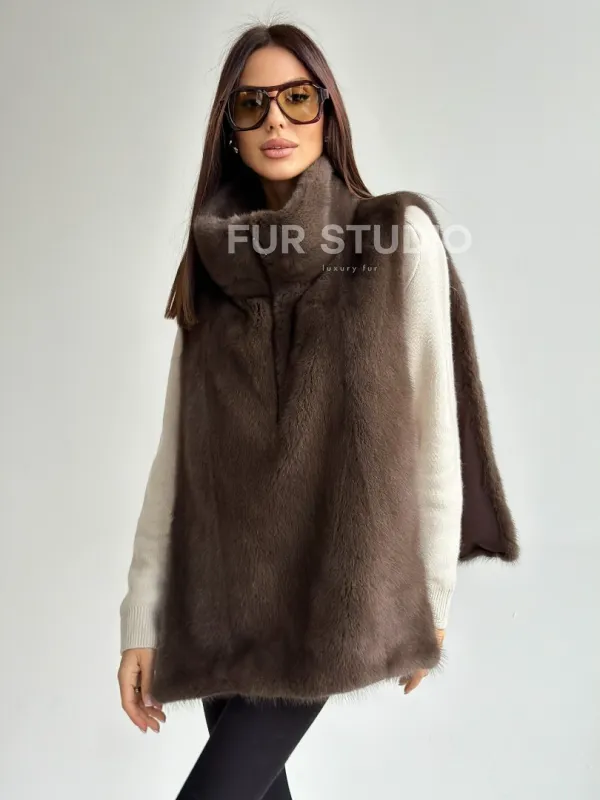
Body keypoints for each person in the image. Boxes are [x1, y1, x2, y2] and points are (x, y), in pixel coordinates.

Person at [117, 22, 518, 800]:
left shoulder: (393, 237)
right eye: (252, 105)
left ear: (328, 113)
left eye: (298, 99)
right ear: (229, 131)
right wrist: (141, 618)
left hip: (335, 584)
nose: (276, 120)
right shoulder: (214, 263)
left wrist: (430, 595)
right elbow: (176, 458)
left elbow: (433, 429)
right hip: (222, 587)